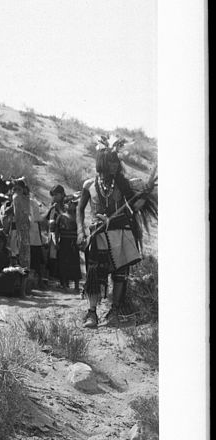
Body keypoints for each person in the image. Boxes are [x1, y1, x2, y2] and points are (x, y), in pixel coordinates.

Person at [77, 137, 146, 328]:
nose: (115, 165)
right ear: (102, 163)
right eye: (111, 161)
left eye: (116, 161)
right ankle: (92, 314)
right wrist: (80, 231)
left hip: (121, 234)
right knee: (94, 274)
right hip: (97, 235)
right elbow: (80, 209)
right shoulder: (89, 185)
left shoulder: (123, 184)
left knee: (120, 275)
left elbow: (134, 205)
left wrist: (141, 201)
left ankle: (114, 312)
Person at [47, 186, 82, 291]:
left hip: (73, 242)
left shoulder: (78, 217)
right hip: (64, 241)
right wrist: (55, 241)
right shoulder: (60, 216)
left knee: (75, 263)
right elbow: (55, 229)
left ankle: (76, 285)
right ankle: (64, 284)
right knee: (63, 263)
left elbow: (81, 229)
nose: (71, 205)